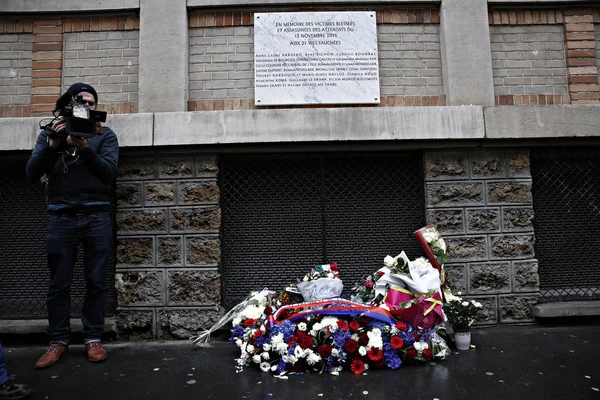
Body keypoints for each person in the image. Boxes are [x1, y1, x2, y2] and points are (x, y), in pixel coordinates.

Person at [25, 83, 119, 369]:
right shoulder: (50, 134)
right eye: (80, 102)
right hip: (61, 217)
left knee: (96, 281)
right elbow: (32, 172)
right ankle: (58, 341)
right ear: (67, 106)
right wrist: (54, 145)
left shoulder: (105, 135)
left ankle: (92, 338)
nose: (86, 107)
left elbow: (109, 174)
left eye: (91, 103)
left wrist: (86, 149)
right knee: (58, 284)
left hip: (96, 216)